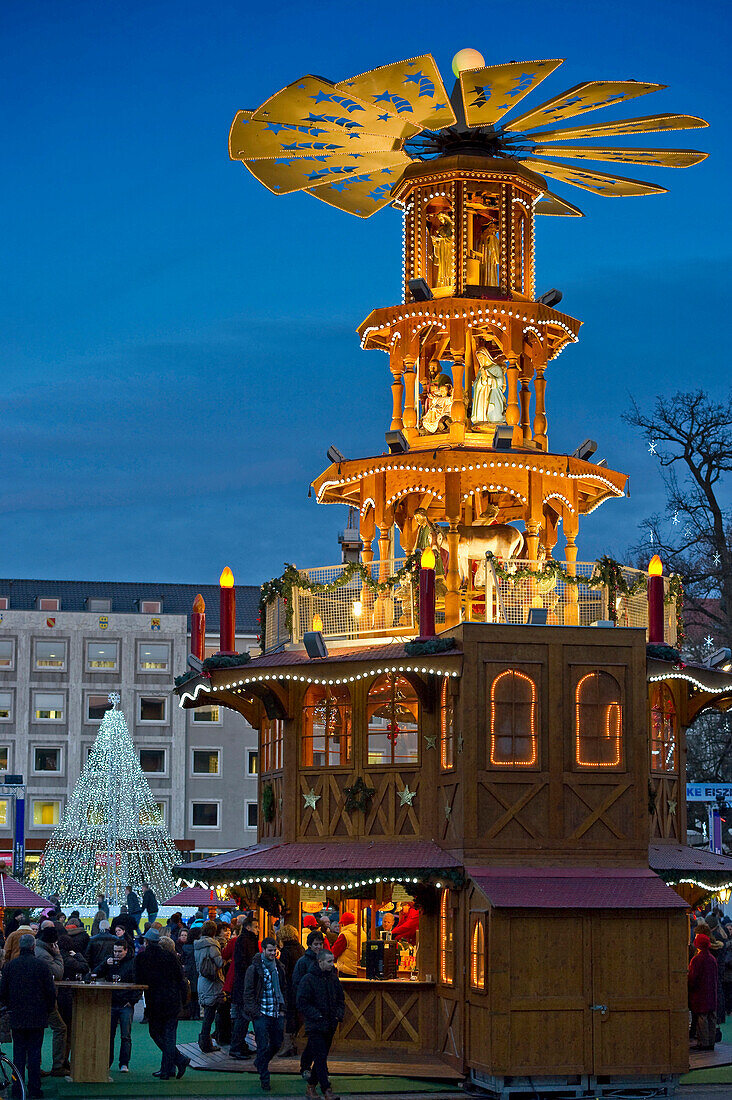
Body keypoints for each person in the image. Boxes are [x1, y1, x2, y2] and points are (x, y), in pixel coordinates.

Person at [0, 934, 55, 1100]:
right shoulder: (42, 966)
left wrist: (9, 1006)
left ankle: (18, 1088)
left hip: (17, 1015)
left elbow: (2, 992)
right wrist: (48, 1009)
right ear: (33, 947)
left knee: (18, 1054)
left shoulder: (10, 967)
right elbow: (50, 992)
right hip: (37, 1016)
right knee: (34, 1054)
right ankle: (34, 1089)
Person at [134, 928, 190, 1080]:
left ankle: (175, 1063)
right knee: (170, 1034)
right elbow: (180, 978)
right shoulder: (170, 957)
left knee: (156, 1033)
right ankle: (170, 1067)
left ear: (146, 942)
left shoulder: (142, 958)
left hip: (155, 1001)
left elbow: (138, 980)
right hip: (172, 1000)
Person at [296, 949, 345, 1100]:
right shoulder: (308, 979)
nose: (332, 964)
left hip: (330, 1024)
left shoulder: (332, 979)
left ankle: (311, 1087)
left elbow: (340, 999)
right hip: (316, 1025)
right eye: (329, 961)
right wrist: (316, 1015)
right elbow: (302, 1002)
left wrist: (338, 1015)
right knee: (321, 1056)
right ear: (320, 962)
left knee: (320, 1057)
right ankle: (326, 1089)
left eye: (332, 961)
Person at [243, 937, 286, 1092]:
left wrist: (282, 1009)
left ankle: (260, 1063)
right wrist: (255, 1012)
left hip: (275, 1011)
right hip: (261, 1012)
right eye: (270, 950)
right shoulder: (255, 969)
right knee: (262, 1045)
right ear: (263, 950)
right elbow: (248, 992)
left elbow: (283, 988)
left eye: (274, 950)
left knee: (277, 1043)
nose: (273, 953)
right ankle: (265, 1078)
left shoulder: (279, 967)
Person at [34, 927, 68, 1078]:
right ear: (54, 942)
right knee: (60, 1028)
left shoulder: (38, 950)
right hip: (45, 1000)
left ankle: (35, 1066)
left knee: (37, 1032)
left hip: (38, 998)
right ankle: (57, 1066)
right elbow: (58, 973)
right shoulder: (46, 955)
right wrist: (58, 955)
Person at [293, 929, 325, 1082]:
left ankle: (312, 1068)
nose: (318, 947)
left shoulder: (324, 960)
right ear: (310, 945)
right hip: (309, 1007)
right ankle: (308, 1068)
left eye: (320, 944)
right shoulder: (303, 962)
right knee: (314, 1039)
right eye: (316, 944)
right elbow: (297, 984)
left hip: (321, 1007)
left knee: (317, 1039)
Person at [230, 911, 260, 1059]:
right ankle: (236, 1046)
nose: (258, 929)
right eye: (256, 926)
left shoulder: (246, 940)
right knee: (243, 1017)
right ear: (248, 927)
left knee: (244, 1017)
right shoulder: (245, 941)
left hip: (244, 984)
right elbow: (244, 963)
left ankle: (239, 1045)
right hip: (245, 985)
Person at [194, 919, 224, 1053]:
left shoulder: (197, 945)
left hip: (202, 979)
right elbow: (219, 962)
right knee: (210, 1014)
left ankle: (204, 1040)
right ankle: (206, 1041)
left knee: (208, 1012)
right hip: (212, 980)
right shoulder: (213, 945)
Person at [276, 924, 305, 1056]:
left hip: (289, 988)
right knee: (297, 1015)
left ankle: (288, 1045)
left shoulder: (285, 952)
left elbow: (283, 972)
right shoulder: (301, 949)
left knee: (289, 1015)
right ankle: (294, 1042)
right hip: (301, 987)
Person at [689, 931, 718, 1051]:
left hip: (700, 994)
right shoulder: (712, 959)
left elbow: (692, 978)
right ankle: (711, 1042)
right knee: (711, 1018)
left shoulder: (696, 960)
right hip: (711, 992)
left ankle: (703, 1043)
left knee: (702, 1018)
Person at [471, 346, 506, 425]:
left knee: (492, 411)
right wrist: (482, 380)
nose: (480, 360)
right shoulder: (481, 370)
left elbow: (500, 382)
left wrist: (488, 380)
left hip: (493, 395)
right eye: (478, 358)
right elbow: (476, 383)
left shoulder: (496, 368)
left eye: (481, 357)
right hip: (482, 396)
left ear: (486, 356)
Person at [176, 927, 199, 1020]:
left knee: (189, 993)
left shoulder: (185, 947)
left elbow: (183, 960)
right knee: (195, 994)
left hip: (188, 971)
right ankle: (196, 1013)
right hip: (196, 971)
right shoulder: (197, 947)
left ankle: (189, 1013)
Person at [331, 912, 358, 976]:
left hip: (346, 970)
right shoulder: (362, 933)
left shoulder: (344, 935)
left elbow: (335, 951)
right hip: (358, 970)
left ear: (343, 924)